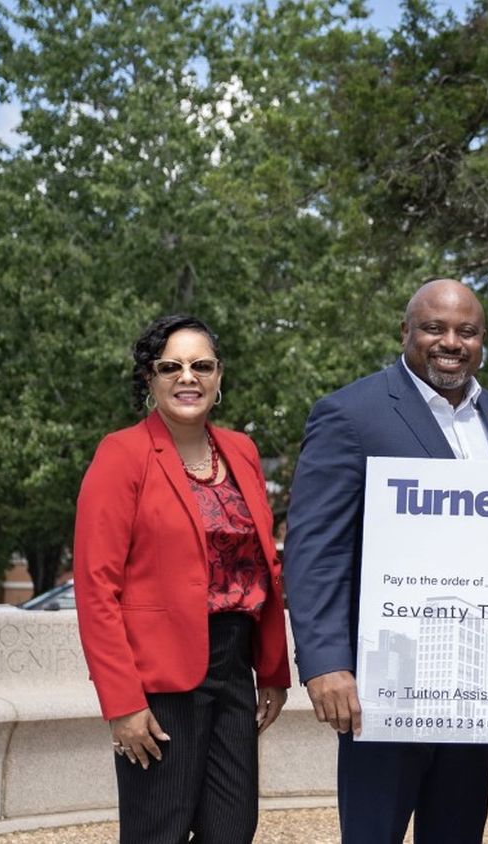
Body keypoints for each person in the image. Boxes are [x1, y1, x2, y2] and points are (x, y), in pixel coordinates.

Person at [283, 279, 488, 843]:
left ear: (482, 340)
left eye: (466, 331)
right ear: (406, 332)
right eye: (434, 328)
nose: (451, 342)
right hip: (381, 682)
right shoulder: (350, 413)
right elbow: (316, 549)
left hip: (472, 684)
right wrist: (324, 663)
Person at [74, 314, 289, 844]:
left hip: (235, 668)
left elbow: (264, 565)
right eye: (170, 366)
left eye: (202, 365)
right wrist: (123, 703)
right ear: (149, 379)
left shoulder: (242, 450)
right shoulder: (121, 454)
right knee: (158, 831)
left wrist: (274, 670)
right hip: (158, 678)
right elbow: (95, 587)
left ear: (219, 378)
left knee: (232, 829)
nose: (187, 377)